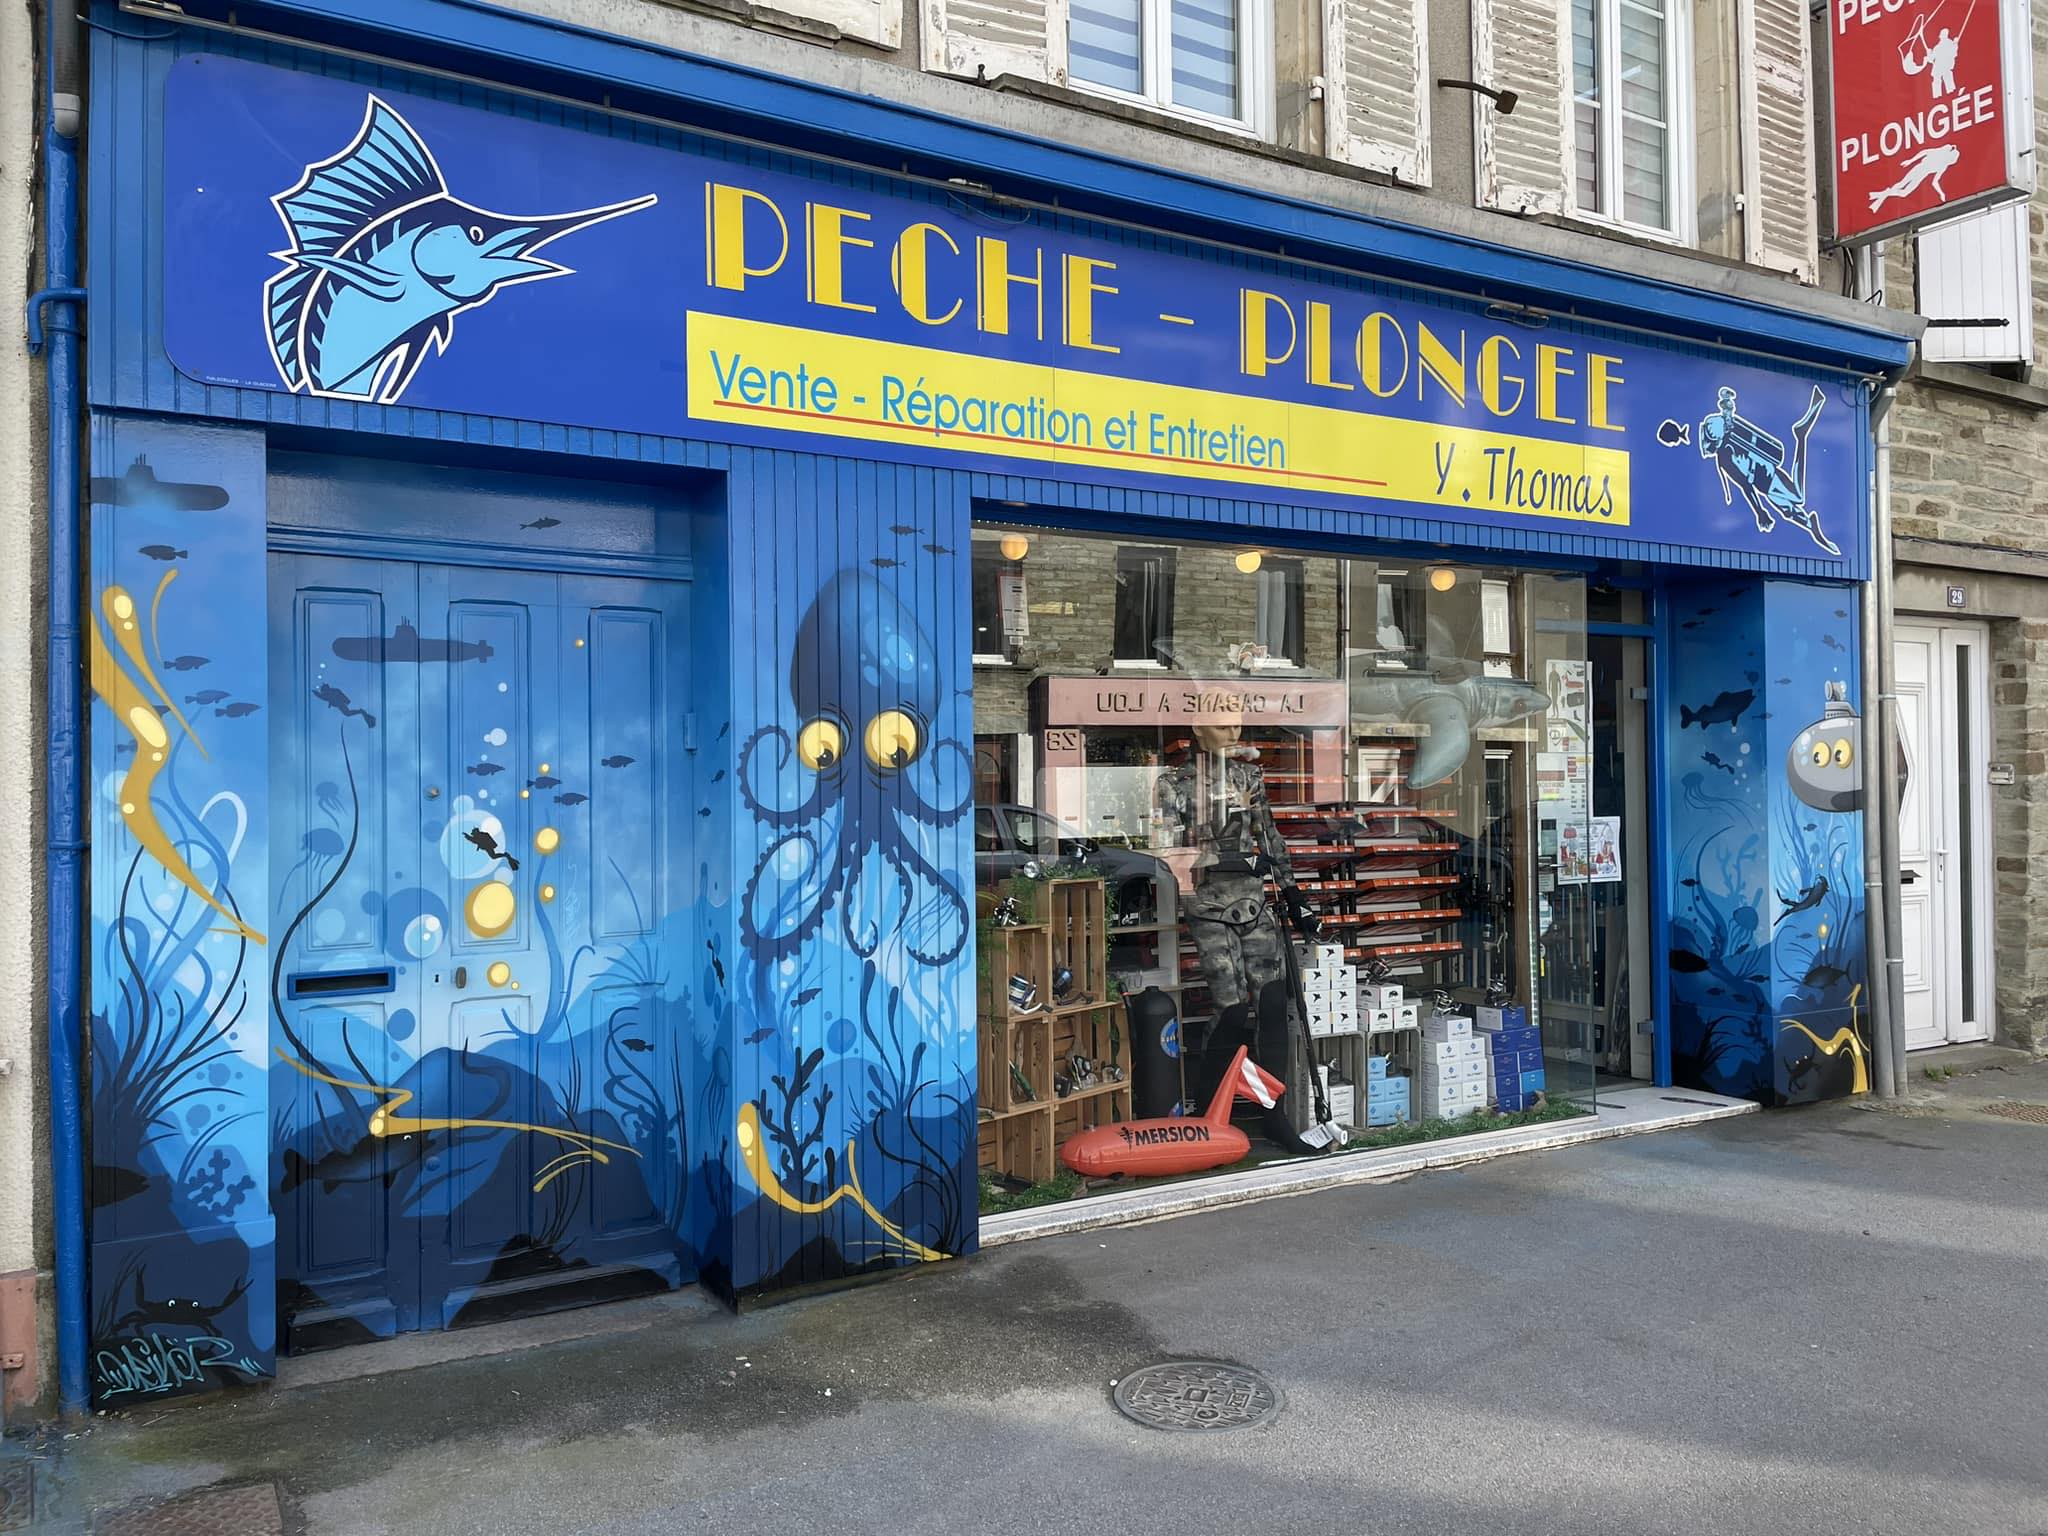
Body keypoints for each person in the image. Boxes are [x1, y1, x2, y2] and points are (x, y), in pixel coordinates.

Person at [1152, 712, 1319, 1128]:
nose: (1234, 733)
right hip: (1208, 906)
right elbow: (1168, 850)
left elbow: (1270, 838)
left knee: (1273, 1004)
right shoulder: (1173, 783)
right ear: (1198, 728)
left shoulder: (1249, 777)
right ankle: (1209, 1114)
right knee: (1231, 1009)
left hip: (1254, 903)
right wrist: (1233, 861)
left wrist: (1295, 896)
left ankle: (1275, 1117)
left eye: (1237, 725)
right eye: (1222, 725)